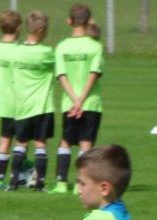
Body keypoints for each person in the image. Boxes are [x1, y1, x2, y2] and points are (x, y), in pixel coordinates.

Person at [50, 4, 105, 195]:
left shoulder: (62, 47)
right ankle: (80, 185)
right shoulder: (96, 46)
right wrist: (81, 100)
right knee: (86, 144)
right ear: (89, 21)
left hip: (70, 104)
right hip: (90, 103)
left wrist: (74, 100)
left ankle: (61, 183)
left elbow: (61, 76)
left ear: (69, 21)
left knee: (65, 141)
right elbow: (93, 74)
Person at [8, 11, 55, 192]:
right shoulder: (46, 52)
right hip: (42, 106)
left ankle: (13, 182)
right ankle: (39, 184)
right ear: (41, 29)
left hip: (22, 106)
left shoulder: (16, 51)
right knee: (40, 144)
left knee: (21, 143)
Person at [0, 9, 22, 191]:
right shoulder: (18, 51)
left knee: (6, 136)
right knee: (19, 139)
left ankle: (0, 178)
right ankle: (13, 177)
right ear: (19, 28)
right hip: (15, 100)